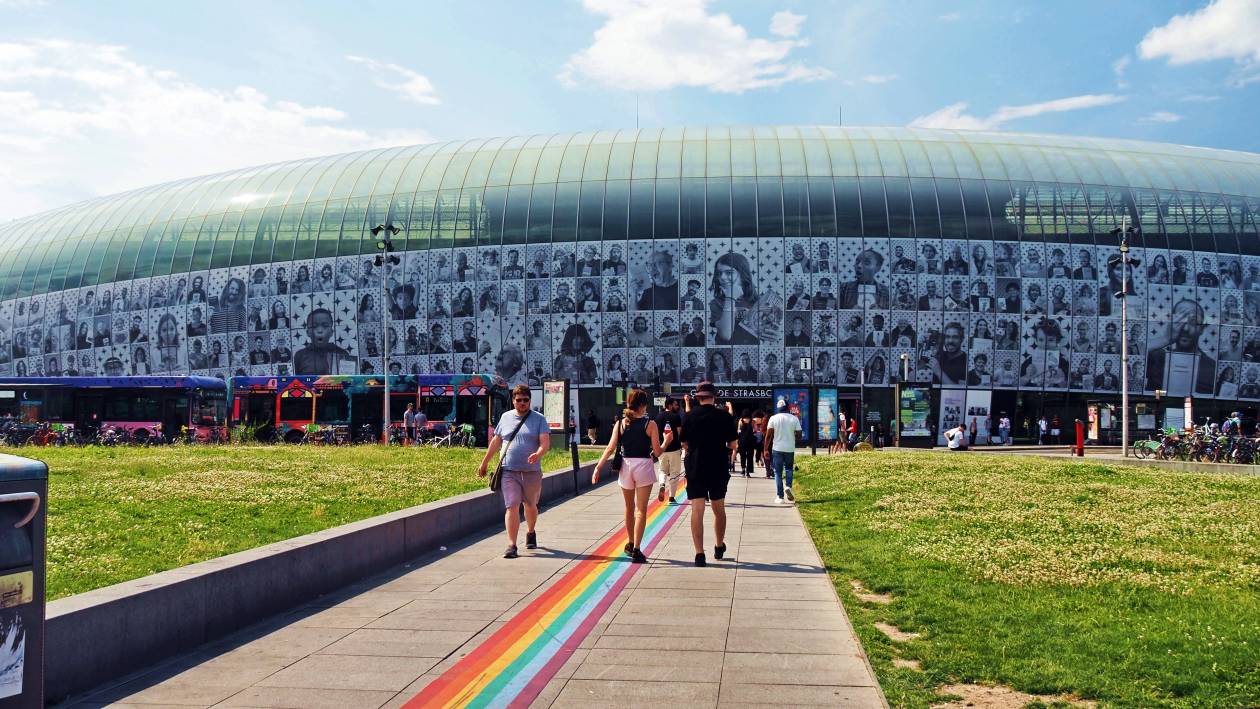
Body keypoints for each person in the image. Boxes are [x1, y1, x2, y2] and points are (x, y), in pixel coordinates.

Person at [478, 384, 550, 559]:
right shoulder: (506, 417)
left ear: (530, 401)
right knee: (512, 505)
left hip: (531, 472)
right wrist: (484, 462)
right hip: (509, 471)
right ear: (513, 401)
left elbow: (545, 443)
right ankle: (511, 544)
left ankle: (531, 531)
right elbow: (496, 441)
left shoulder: (538, 419)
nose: (523, 403)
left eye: (526, 400)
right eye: (519, 400)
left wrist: (538, 454)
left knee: (531, 506)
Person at [592, 389, 664, 564]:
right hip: (643, 466)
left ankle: (630, 543)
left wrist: (598, 467)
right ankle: (637, 550)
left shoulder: (621, 424)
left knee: (629, 507)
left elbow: (610, 448)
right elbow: (657, 452)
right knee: (641, 510)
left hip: (626, 466)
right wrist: (667, 441)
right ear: (642, 405)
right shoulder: (651, 424)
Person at [680, 382, 737, 567]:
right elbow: (733, 445)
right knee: (718, 508)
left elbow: (685, 444)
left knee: (697, 510)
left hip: (695, 467)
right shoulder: (725, 417)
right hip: (718, 466)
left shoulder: (689, 417)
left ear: (698, 397)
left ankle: (699, 554)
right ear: (714, 396)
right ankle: (719, 546)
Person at [763, 401, 802, 504]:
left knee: (778, 472)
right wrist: (793, 435)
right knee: (789, 469)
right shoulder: (794, 418)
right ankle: (788, 486)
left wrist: (765, 449)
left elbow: (768, 436)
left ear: (778, 408)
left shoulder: (773, 418)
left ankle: (780, 497)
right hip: (789, 448)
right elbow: (799, 435)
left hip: (777, 448)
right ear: (787, 407)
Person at [294, 308, 350, 375]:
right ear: (308, 332)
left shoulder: (342, 354)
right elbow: (295, 382)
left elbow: (348, 383)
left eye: (325, 326)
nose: (320, 330)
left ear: (331, 332)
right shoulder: (300, 356)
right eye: (314, 326)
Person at [655, 397, 685, 503]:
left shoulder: (658, 417)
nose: (676, 406)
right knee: (674, 472)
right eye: (675, 404)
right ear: (670, 405)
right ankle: (671, 497)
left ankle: (662, 484)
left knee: (662, 470)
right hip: (675, 449)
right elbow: (680, 433)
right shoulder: (676, 417)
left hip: (662, 448)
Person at [736, 410, 757, 477]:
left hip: (742, 441)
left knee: (743, 456)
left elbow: (738, 431)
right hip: (750, 442)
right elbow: (755, 430)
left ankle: (743, 469)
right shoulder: (753, 421)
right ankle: (748, 471)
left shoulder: (741, 420)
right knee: (750, 456)